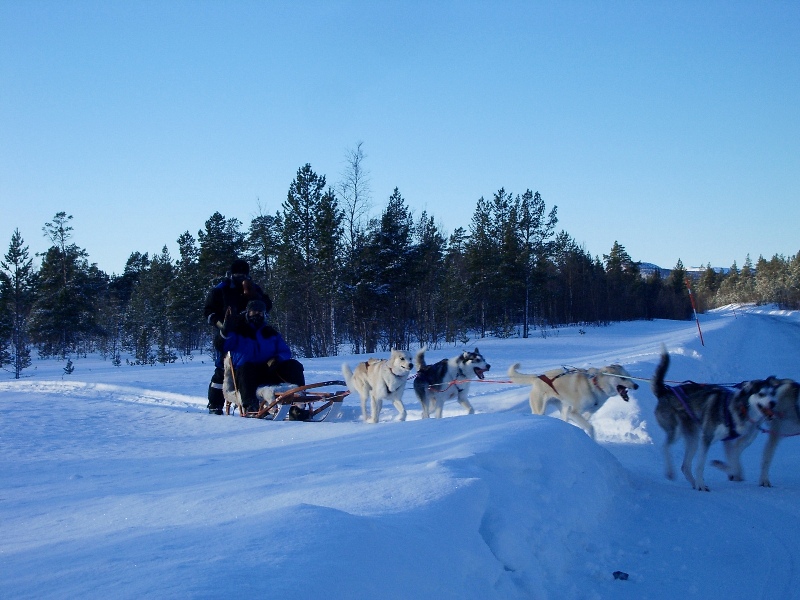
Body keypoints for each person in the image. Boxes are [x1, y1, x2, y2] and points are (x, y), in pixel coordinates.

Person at [204, 259, 271, 414]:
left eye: (243, 274)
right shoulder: (222, 288)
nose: (241, 277)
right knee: (223, 367)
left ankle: (255, 397)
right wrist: (222, 325)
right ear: (232, 274)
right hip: (229, 332)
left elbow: (267, 305)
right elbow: (209, 311)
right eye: (238, 274)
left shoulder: (254, 287)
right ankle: (215, 404)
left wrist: (257, 299)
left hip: (252, 332)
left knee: (256, 364)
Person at [218, 299, 305, 413]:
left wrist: (277, 358)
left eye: (260, 313)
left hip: (268, 371)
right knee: (247, 367)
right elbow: (221, 345)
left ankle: (298, 402)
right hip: (246, 376)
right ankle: (250, 405)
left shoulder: (270, 332)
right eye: (254, 312)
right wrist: (225, 330)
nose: (257, 315)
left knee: (294, 365)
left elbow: (285, 351)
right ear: (248, 313)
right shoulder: (238, 332)